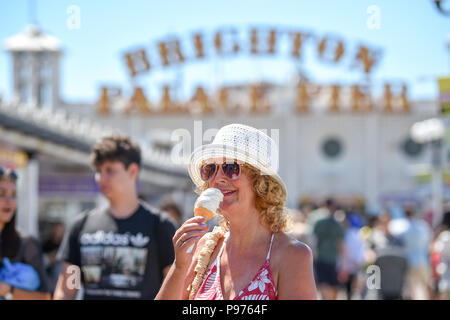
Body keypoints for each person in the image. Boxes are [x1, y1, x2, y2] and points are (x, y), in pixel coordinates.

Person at [156, 123, 317, 300]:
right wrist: (179, 266)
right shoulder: (205, 249)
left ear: (260, 182)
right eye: (210, 169)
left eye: (230, 168)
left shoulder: (292, 255)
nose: (217, 179)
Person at [53, 135, 176, 300]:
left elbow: (177, 287)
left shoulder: (161, 225)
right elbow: (67, 290)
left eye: (110, 170)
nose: (101, 178)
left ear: (132, 171)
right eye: (98, 171)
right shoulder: (81, 225)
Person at [0, 167, 51, 300]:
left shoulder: (26, 243)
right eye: (2, 194)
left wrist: (7, 290)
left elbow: (45, 297)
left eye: (13, 195)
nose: (8, 201)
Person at [312, 198, 345, 300]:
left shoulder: (318, 222)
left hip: (321, 258)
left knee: (323, 285)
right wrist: (343, 261)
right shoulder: (337, 224)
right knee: (333, 287)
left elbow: (313, 241)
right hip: (333, 259)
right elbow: (341, 244)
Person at [399, 207, 432, 300]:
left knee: (412, 288)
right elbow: (429, 244)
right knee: (424, 287)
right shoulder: (424, 226)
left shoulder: (404, 228)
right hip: (423, 261)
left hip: (410, 262)